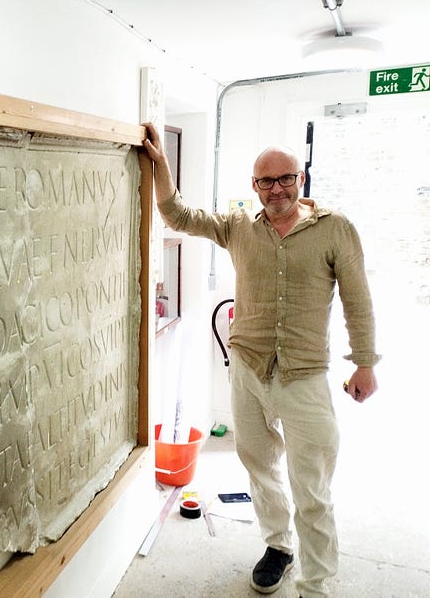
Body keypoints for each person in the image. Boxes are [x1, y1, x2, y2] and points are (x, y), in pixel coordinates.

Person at [142, 123, 380, 598]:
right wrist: (161, 167)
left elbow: (358, 299)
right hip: (248, 370)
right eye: (266, 181)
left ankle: (316, 585)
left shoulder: (335, 229)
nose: (277, 189)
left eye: (286, 178)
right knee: (258, 464)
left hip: (304, 376)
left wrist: (365, 362)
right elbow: (177, 216)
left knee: (311, 487)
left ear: (301, 179)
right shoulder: (238, 229)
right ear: (255, 187)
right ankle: (279, 547)